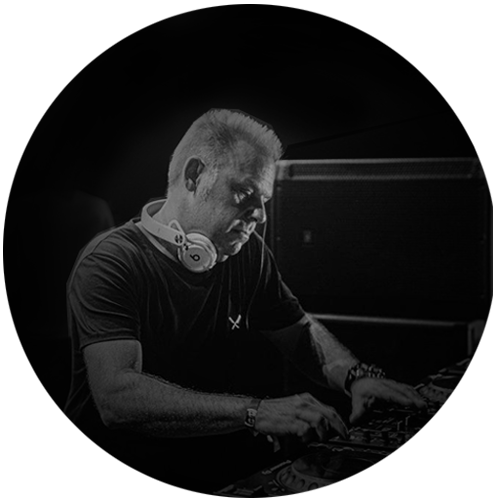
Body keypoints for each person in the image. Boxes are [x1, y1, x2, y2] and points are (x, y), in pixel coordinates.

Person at [63, 108, 426, 496]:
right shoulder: (110, 262)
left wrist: (357, 377)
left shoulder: (245, 251)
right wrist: (255, 411)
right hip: (122, 479)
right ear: (194, 175)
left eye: (264, 199)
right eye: (245, 193)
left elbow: (298, 332)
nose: (261, 216)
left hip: (211, 469)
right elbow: (117, 397)